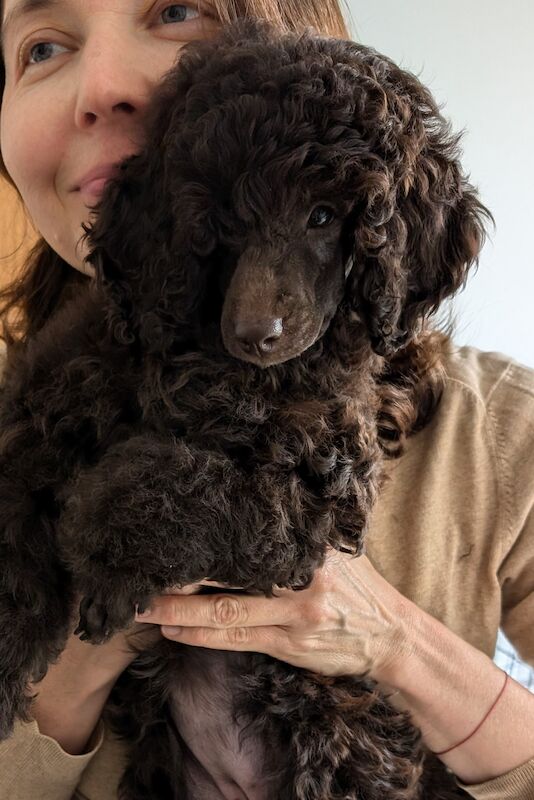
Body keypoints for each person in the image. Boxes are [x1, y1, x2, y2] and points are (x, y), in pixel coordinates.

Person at [0, 1, 533, 798]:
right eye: (41, 46)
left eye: (176, 8)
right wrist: (75, 662)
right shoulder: (31, 415)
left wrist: (397, 644)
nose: (101, 84)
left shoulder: (500, 428)